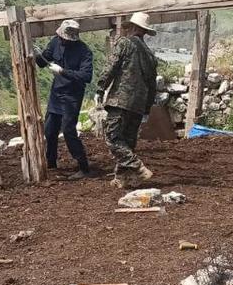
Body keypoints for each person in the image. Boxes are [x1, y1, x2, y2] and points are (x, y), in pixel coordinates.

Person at [96, 12, 159, 189]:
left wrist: (101, 87)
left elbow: (111, 67)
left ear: (132, 27)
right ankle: (123, 179)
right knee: (128, 142)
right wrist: (146, 108)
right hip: (138, 106)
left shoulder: (124, 43)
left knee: (113, 138)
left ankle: (137, 166)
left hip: (120, 101)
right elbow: (152, 85)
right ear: (144, 32)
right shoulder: (150, 56)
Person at [35, 19, 94, 179]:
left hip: (72, 96)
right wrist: (35, 54)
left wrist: (62, 71)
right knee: (50, 130)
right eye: (60, 37)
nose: (61, 40)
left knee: (68, 130)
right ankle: (51, 162)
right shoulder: (55, 42)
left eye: (64, 38)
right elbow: (43, 60)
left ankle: (83, 167)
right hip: (57, 93)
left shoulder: (84, 51)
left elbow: (86, 76)